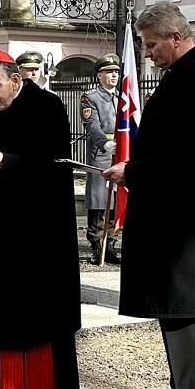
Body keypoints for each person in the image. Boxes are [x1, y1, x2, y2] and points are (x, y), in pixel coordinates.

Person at [103, 3, 195, 389]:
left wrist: (132, 171)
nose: (148, 52)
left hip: (188, 229)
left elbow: (190, 159)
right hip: (174, 224)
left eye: (152, 44)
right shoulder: (183, 75)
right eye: (145, 44)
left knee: (187, 321)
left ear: (176, 37)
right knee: (175, 319)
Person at [0, 51, 82, 389]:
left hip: (38, 236)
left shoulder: (46, 107)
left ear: (15, 79)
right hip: (1, 229)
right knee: (0, 316)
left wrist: (6, 162)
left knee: (30, 321)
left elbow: (55, 167)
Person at [81, 54, 121, 265]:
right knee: (98, 200)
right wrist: (104, 143)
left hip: (121, 152)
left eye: (116, 72)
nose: (114, 75)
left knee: (117, 198)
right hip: (102, 152)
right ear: (99, 75)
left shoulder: (122, 97)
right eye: (109, 72)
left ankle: (111, 243)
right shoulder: (90, 97)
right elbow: (92, 125)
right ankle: (97, 244)